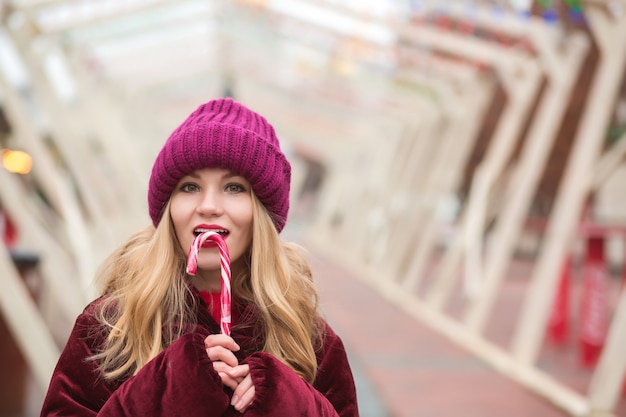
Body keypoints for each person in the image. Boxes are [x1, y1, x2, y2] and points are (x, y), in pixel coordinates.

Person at [40, 98, 359, 416]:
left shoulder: (309, 338)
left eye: (233, 187)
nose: (208, 206)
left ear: (261, 213)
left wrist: (290, 399)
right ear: (168, 209)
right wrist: (170, 384)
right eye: (190, 187)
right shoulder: (109, 325)